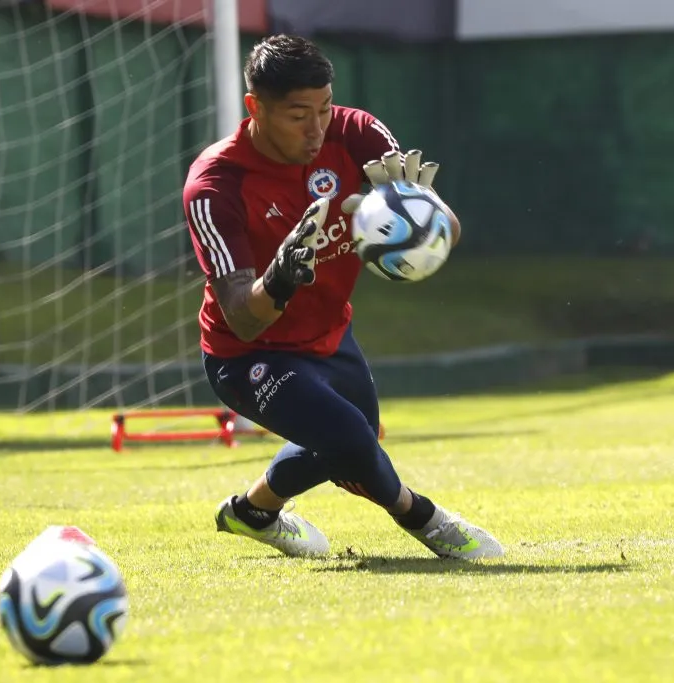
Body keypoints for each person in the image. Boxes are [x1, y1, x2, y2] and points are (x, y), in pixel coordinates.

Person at [181, 34, 503, 560]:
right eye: (297, 115)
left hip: (330, 336)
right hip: (248, 355)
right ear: (254, 108)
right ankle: (427, 520)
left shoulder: (357, 134)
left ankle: (251, 512)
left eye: (325, 108)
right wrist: (279, 279)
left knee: (348, 440)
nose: (316, 130)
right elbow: (242, 318)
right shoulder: (216, 185)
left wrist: (421, 212)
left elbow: (449, 229)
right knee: (351, 439)